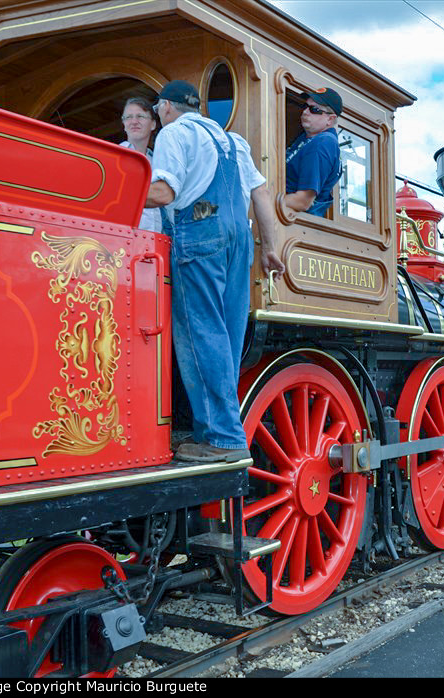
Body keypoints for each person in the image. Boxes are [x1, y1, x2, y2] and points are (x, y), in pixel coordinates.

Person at [145, 80, 284, 463]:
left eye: (157, 110)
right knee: (227, 333)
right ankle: (219, 430)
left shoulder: (175, 133)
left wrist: (116, 192)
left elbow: (164, 193)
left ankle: (221, 437)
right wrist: (269, 249)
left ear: (166, 108)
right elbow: (260, 195)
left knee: (200, 332)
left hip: (199, 230)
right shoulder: (232, 140)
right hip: (239, 237)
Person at [283, 88, 343, 217]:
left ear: (330, 119)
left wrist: (263, 200)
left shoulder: (322, 143)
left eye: (314, 109)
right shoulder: (308, 138)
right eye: (305, 106)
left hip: (293, 223)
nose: (305, 112)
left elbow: (303, 201)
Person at [120, 96, 163, 232]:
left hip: (156, 240)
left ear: (153, 124)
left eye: (140, 116)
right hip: (124, 238)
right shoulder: (115, 157)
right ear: (124, 125)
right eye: (128, 117)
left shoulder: (159, 161)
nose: (134, 121)